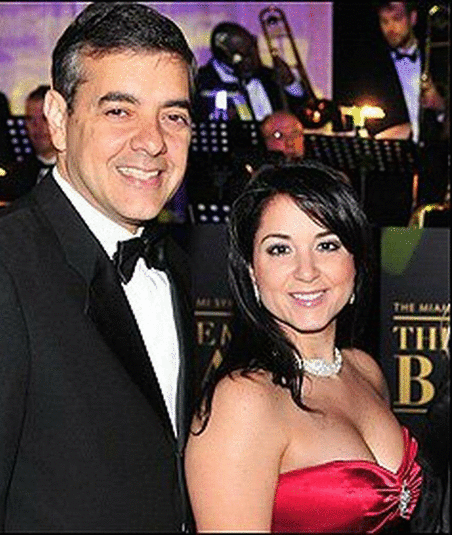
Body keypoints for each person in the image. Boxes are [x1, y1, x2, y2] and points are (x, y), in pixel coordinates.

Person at [0, 3, 199, 531]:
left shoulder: (175, 268)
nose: (152, 141)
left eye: (174, 115)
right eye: (119, 111)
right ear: (57, 118)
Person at [185, 161, 424, 532]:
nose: (307, 271)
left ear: (356, 262)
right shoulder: (243, 401)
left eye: (327, 245)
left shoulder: (364, 370)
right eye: (280, 249)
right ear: (251, 271)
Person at [360, 2, 446, 142]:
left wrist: (440, 105)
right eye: (384, 21)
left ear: (413, 18)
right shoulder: (374, 67)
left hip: (434, 151)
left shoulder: (436, 57)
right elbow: (371, 119)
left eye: (397, 19)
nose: (390, 28)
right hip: (395, 151)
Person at [194, 22, 307, 122]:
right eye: (240, 56)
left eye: (252, 49)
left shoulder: (267, 76)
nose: (251, 60)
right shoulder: (203, 83)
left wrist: (290, 83)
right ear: (222, 57)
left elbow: (302, 113)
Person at [10, 85, 57, 198]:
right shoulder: (17, 175)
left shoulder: (78, 173)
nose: (37, 126)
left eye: (44, 118)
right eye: (30, 119)